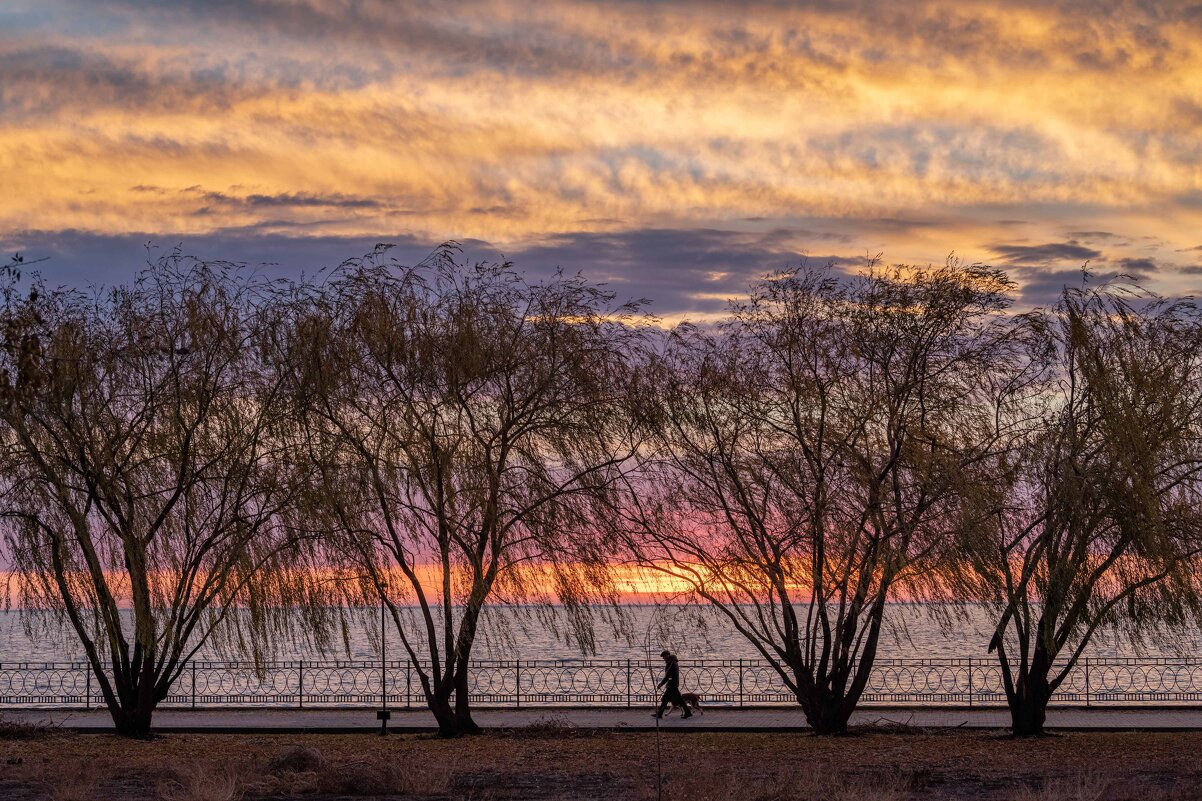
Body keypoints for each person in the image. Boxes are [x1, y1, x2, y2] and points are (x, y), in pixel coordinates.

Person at [652, 649, 692, 719]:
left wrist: (661, 684)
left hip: (672, 685)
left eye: (664, 657)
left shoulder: (670, 663)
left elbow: (667, 676)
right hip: (674, 683)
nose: (663, 659)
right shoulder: (674, 662)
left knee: (666, 699)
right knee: (670, 699)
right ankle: (660, 713)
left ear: (667, 655)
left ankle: (660, 714)